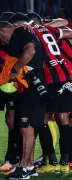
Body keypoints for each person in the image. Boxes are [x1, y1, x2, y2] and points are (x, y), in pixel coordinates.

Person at [0, 18, 46, 179]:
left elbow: (30, 51)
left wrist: (14, 70)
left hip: (31, 87)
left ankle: (25, 167)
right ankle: (28, 166)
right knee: (28, 128)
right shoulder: (24, 31)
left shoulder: (19, 33)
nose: (3, 43)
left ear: (2, 32)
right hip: (34, 86)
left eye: (1, 40)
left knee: (25, 127)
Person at [28, 13, 72, 173]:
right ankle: (65, 162)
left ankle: (53, 161)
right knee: (64, 118)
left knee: (43, 118)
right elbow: (66, 24)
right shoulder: (50, 30)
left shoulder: (32, 32)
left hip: (52, 78)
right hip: (65, 75)